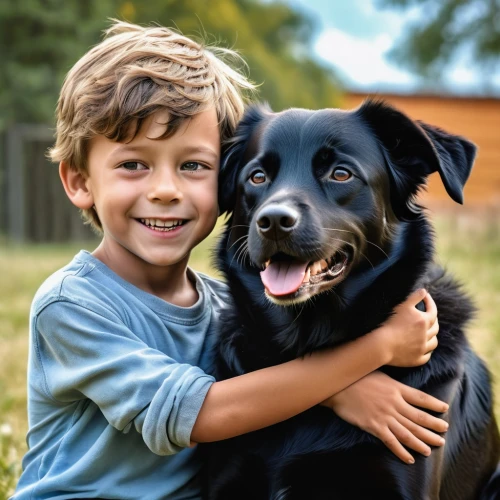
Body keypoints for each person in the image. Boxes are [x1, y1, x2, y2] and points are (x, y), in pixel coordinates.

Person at [12, 20, 448, 500]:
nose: (164, 190)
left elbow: (266, 391)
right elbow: (202, 413)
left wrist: (337, 386)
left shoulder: (223, 307)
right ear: (78, 182)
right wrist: (370, 357)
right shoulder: (72, 304)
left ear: (224, 185)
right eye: (133, 164)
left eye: (193, 166)